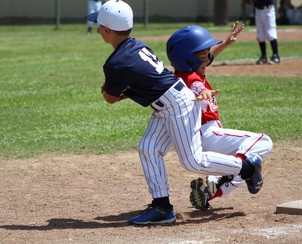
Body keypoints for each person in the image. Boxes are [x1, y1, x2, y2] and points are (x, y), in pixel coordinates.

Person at [88, 0, 264, 226]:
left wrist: (110, 90)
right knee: (148, 148)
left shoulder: (116, 63)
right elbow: (145, 82)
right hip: (169, 101)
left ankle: (248, 167)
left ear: (106, 30)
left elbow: (110, 98)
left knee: (193, 162)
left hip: (177, 105)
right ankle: (162, 208)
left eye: (99, 26)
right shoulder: (137, 45)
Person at [166, 23, 273, 210]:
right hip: (209, 134)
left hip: (202, 140)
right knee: (264, 143)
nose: (207, 59)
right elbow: (198, 88)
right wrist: (204, 92)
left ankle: (213, 189)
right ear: (189, 60)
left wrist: (226, 43)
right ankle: (242, 168)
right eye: (202, 56)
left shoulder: (185, 72)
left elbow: (207, 56)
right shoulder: (192, 79)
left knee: (250, 158)